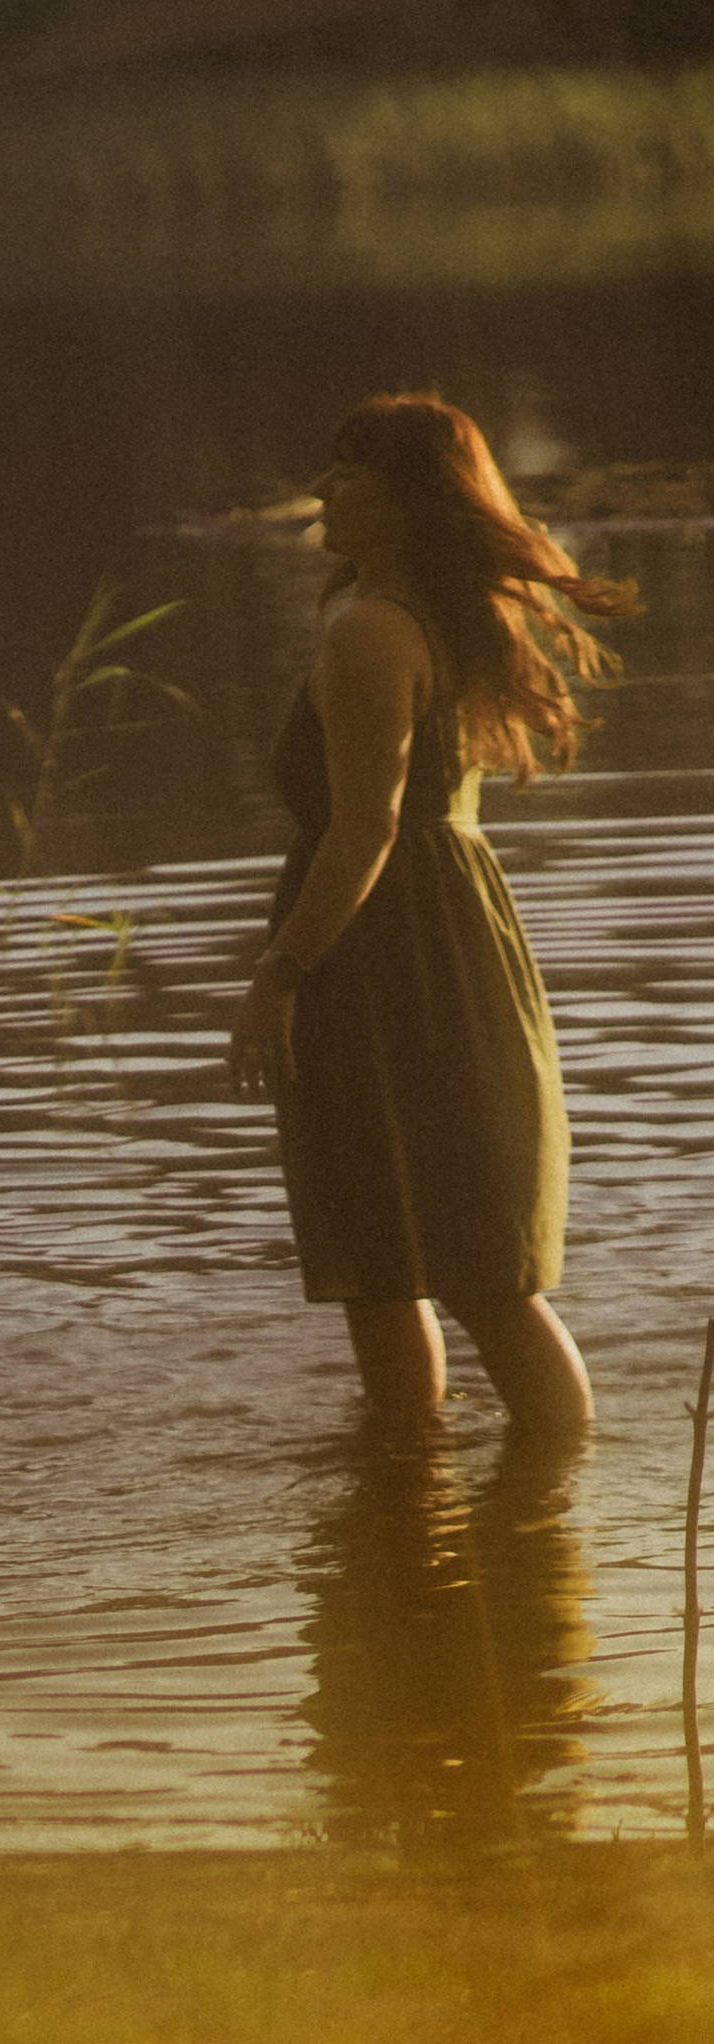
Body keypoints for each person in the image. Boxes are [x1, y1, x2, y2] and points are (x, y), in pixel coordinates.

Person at [226, 394, 635, 1439]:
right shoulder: (439, 618)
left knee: (435, 1268)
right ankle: (452, 1506)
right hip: (445, 944)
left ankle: (470, 1501)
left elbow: (365, 830)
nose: (323, 488)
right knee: (430, 1264)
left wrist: (277, 975)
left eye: (349, 473)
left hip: (382, 957)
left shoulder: (372, 631)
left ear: (408, 500)